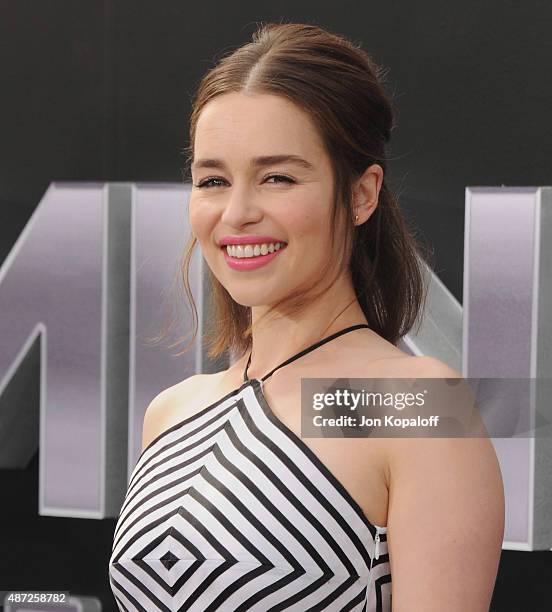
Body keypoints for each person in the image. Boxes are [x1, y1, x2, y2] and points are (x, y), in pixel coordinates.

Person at [109, 21, 504, 611]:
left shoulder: (411, 403)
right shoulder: (173, 410)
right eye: (212, 180)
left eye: (278, 178)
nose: (237, 213)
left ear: (362, 194)